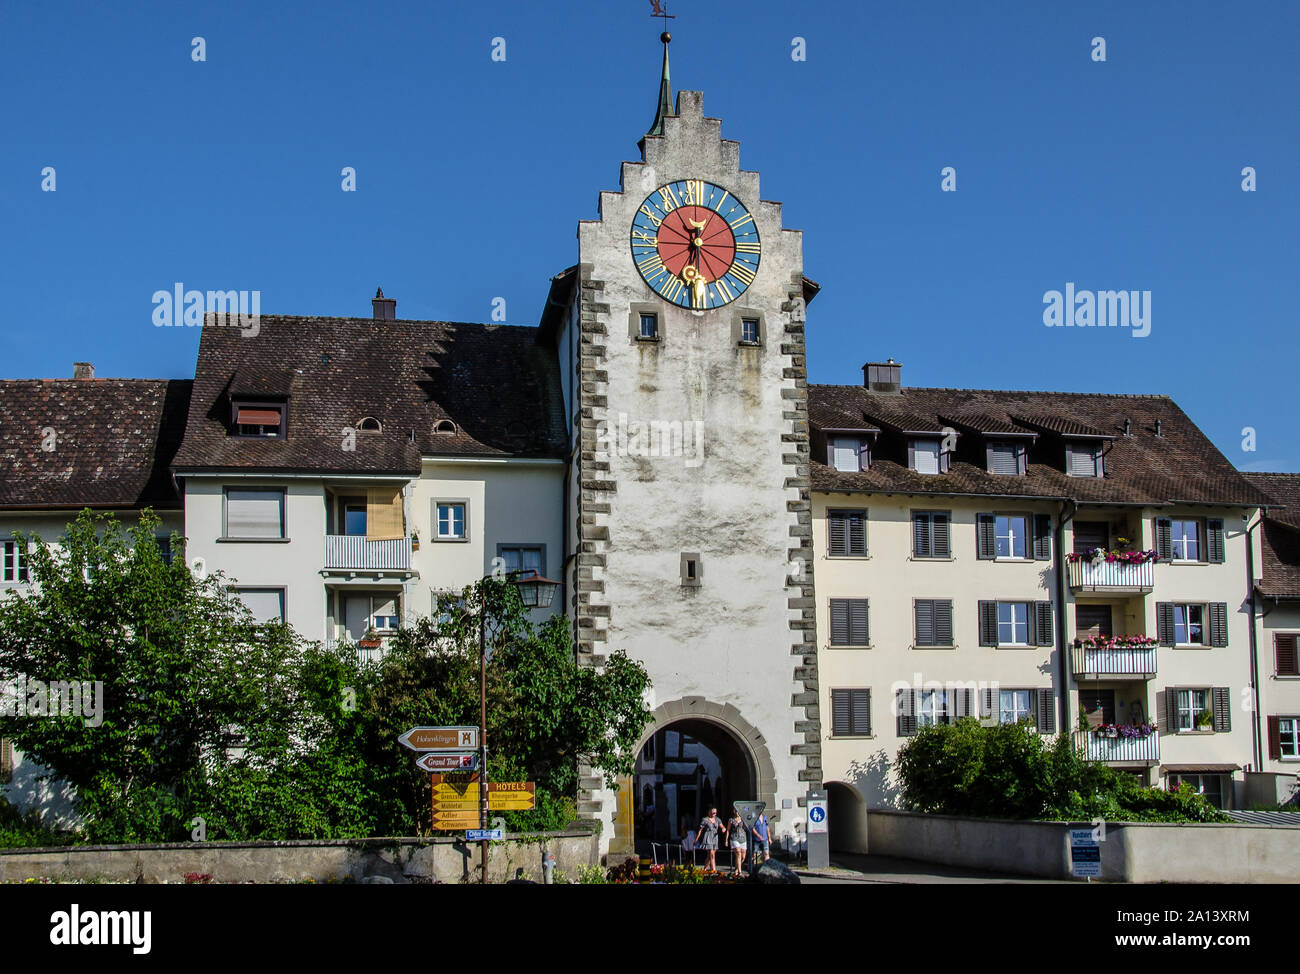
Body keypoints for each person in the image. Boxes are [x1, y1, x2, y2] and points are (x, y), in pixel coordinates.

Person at [695, 807, 722, 872]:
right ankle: (714, 870)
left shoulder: (717, 819)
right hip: (708, 837)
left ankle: (705, 868)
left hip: (715, 838)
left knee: (709, 856)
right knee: (712, 854)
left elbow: (722, 826)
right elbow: (700, 830)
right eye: (713, 813)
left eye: (715, 813)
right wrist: (696, 839)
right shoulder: (705, 819)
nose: (714, 814)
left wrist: (723, 829)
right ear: (709, 812)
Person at [726, 806, 747, 876]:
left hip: (743, 838)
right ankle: (740, 872)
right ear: (734, 811)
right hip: (734, 837)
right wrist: (726, 840)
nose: (737, 812)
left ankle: (736, 869)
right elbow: (728, 830)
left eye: (738, 811)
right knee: (738, 853)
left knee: (743, 857)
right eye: (736, 811)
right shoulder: (731, 820)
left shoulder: (743, 819)